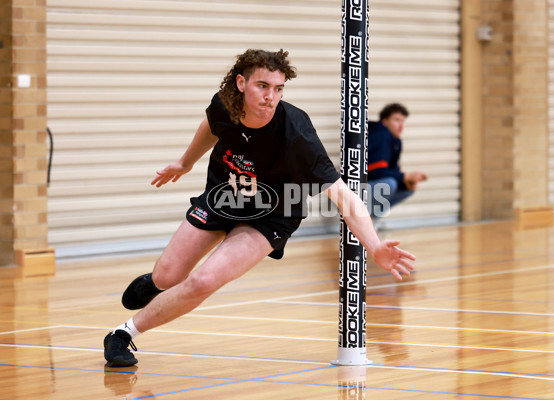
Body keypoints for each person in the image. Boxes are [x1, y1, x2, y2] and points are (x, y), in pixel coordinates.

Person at [103, 49, 416, 368]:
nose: (271, 97)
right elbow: (211, 126)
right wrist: (185, 162)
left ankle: (122, 334)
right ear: (241, 83)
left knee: (202, 281)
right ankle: (157, 282)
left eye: (278, 89)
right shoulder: (224, 104)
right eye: (263, 86)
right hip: (223, 198)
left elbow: (344, 196)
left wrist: (374, 245)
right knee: (170, 275)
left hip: (272, 216)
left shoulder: (296, 132)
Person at [367, 103, 427, 218]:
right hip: (353, 191)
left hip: (368, 187)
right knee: (389, 184)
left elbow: (393, 170)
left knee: (407, 188)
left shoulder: (395, 141)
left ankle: (372, 219)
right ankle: (361, 220)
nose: (401, 125)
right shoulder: (381, 135)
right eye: (396, 120)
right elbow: (374, 171)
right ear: (385, 121)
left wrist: (406, 181)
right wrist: (405, 176)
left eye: (403, 121)